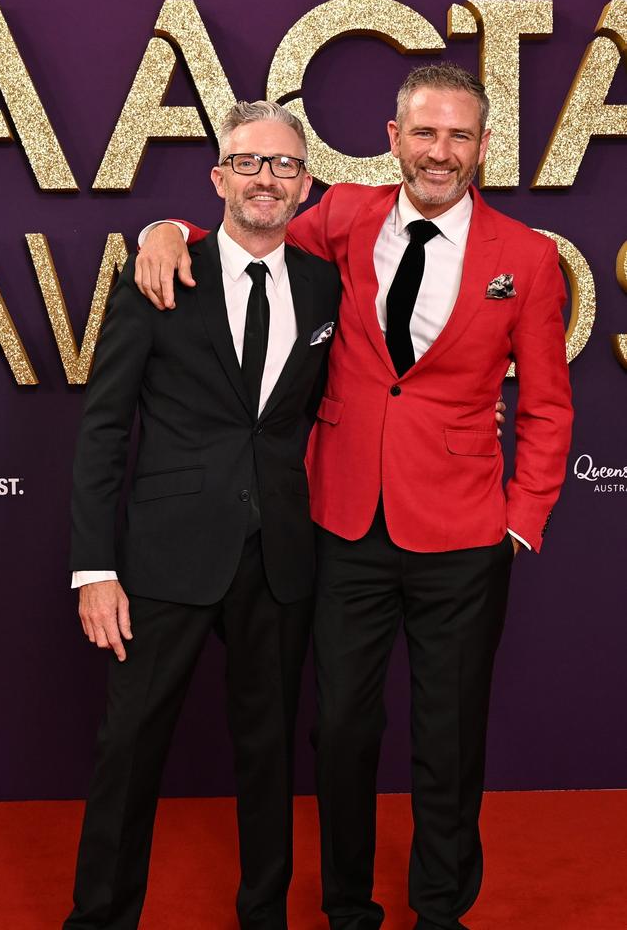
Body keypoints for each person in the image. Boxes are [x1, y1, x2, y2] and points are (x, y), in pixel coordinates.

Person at [133, 64, 573, 930]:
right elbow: (250, 226)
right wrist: (169, 224)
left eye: (457, 136)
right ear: (392, 138)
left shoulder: (526, 257)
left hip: (465, 533)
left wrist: (519, 524)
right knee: (339, 733)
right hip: (343, 524)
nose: (438, 152)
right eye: (423, 133)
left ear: (483, 147)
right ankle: (346, 908)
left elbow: (549, 405)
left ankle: (441, 910)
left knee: (448, 740)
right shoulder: (343, 214)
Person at [65, 100, 341, 930]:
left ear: (305, 184)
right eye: (250, 162)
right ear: (219, 176)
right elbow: (104, 428)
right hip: (166, 553)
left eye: (285, 165)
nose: (268, 178)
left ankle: (265, 915)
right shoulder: (159, 273)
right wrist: (94, 568)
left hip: (282, 554)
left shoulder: (328, 282)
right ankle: (100, 920)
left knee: (269, 755)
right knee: (129, 749)